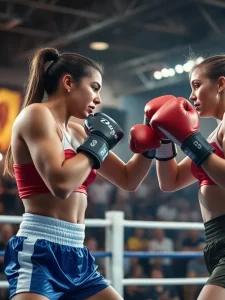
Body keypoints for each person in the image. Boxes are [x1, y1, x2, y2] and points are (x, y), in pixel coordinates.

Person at [2, 47, 173, 300]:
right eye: (94, 87)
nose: (98, 98)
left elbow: (128, 179)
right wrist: (99, 143)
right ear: (68, 82)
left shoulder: (79, 132)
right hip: (39, 251)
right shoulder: (36, 115)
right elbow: (61, 184)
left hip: (76, 253)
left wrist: (152, 142)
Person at [132, 41, 225, 300]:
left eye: (197, 85)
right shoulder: (214, 135)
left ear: (221, 84)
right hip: (221, 243)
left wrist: (189, 140)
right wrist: (165, 140)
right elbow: (171, 181)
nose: (191, 95)